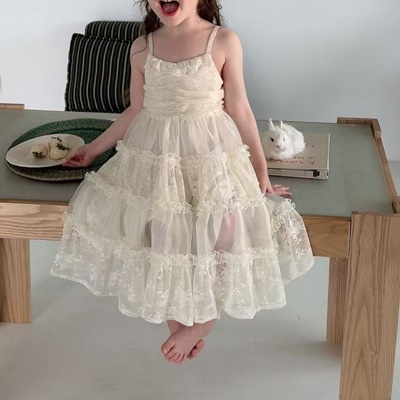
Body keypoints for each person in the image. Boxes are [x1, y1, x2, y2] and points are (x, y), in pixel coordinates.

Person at [51, 0, 314, 365]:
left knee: (226, 228)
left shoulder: (223, 41)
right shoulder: (142, 48)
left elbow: (239, 108)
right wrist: (94, 149)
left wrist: (261, 172)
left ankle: (203, 322)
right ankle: (178, 324)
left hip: (210, 154)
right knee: (159, 233)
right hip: (157, 156)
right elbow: (136, 109)